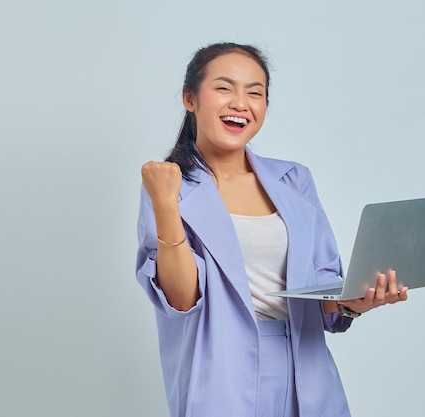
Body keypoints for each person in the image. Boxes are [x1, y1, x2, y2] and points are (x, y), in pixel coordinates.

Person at [135, 42, 408, 417]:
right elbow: (181, 299)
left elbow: (323, 290)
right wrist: (166, 205)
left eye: (255, 93)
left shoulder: (294, 180)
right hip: (221, 374)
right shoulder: (169, 184)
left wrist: (356, 301)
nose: (240, 103)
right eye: (224, 88)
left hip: (306, 368)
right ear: (190, 99)